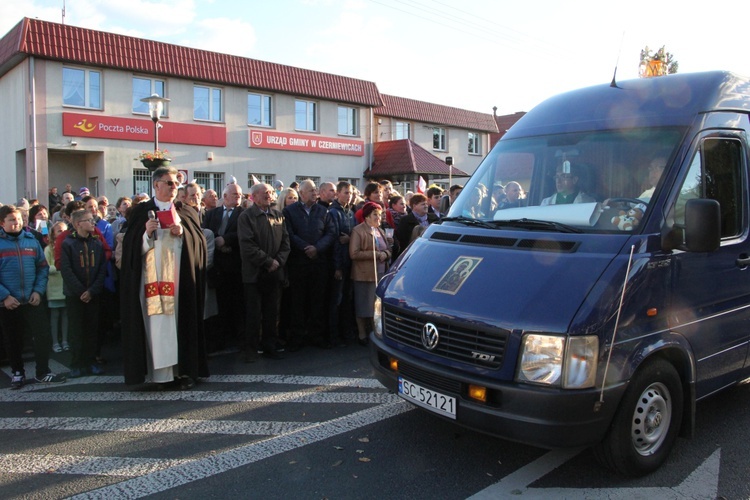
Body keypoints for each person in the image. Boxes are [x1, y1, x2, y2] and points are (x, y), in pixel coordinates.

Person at [120, 166, 208, 389]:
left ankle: (183, 372)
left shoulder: (185, 211)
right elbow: (130, 247)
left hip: (179, 280)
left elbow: (198, 244)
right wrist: (146, 233)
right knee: (156, 327)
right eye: (169, 183)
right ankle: (159, 376)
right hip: (151, 280)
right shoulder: (140, 212)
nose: (174, 187)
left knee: (181, 324)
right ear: (156, 184)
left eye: (176, 183)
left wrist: (182, 234)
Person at [0, 205, 65, 388]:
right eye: (12, 220)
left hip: (32, 300)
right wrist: (4, 296)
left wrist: (38, 291)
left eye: (19, 219)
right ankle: (17, 373)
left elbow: (42, 268)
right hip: (8, 303)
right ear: (2, 222)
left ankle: (42, 372)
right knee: (13, 340)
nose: (16, 223)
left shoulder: (31, 240)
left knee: (42, 336)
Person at [238, 183, 290, 361]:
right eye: (265, 193)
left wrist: (279, 262)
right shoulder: (246, 216)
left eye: (270, 192)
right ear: (254, 196)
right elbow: (247, 245)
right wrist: (268, 262)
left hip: (274, 273)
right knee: (253, 313)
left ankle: (270, 346)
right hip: (254, 273)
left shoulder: (278, 215)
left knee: (272, 312)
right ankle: (251, 350)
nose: (269, 195)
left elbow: (286, 242)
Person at [283, 179, 336, 350]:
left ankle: (316, 335)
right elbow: (288, 234)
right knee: (297, 301)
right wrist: (305, 247)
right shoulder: (289, 211)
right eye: (311, 190)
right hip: (298, 263)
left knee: (318, 300)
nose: (315, 193)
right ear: (302, 193)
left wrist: (317, 248)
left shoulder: (323, 211)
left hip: (318, 263)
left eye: (315, 190)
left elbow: (330, 233)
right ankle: (297, 336)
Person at [60, 209, 107, 377]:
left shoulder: (97, 243)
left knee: (92, 330)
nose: (93, 223)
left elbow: (102, 269)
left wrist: (92, 290)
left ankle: (91, 361)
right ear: (78, 224)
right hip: (75, 295)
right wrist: (81, 291)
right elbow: (66, 270)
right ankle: (77, 363)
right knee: (76, 331)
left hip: (93, 294)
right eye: (88, 220)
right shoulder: (68, 243)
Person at [202, 182, 244, 353]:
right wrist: (218, 243)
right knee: (218, 306)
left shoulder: (244, 214)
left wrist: (226, 240)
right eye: (234, 194)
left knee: (237, 304)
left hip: (235, 266)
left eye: (240, 194)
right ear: (225, 197)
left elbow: (243, 233)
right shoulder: (212, 214)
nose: (238, 197)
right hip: (217, 266)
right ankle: (218, 339)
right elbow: (206, 231)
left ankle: (238, 338)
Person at [349, 202, 391, 346]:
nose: (378, 218)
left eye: (380, 215)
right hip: (364, 274)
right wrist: (375, 254)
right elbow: (354, 253)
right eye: (375, 215)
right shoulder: (358, 230)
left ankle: (375, 333)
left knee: (376, 307)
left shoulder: (380, 231)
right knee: (363, 305)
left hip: (380, 273)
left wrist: (385, 253)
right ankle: (362, 335)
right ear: (367, 217)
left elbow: (387, 250)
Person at [328, 181, 356, 346]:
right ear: (338, 194)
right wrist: (337, 266)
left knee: (347, 298)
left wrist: (350, 238)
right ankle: (333, 335)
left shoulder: (350, 212)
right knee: (336, 300)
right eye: (346, 192)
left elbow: (351, 236)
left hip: (350, 261)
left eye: (351, 192)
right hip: (340, 262)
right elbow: (336, 241)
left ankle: (346, 333)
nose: (349, 195)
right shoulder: (333, 212)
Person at [46, 221, 69, 353]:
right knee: (55, 316)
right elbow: (46, 266)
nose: (62, 233)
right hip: (54, 287)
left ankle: (65, 340)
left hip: (66, 285)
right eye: (59, 230)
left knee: (65, 314)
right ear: (53, 234)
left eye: (64, 230)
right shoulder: (49, 249)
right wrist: (60, 267)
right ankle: (55, 341)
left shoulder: (68, 246)